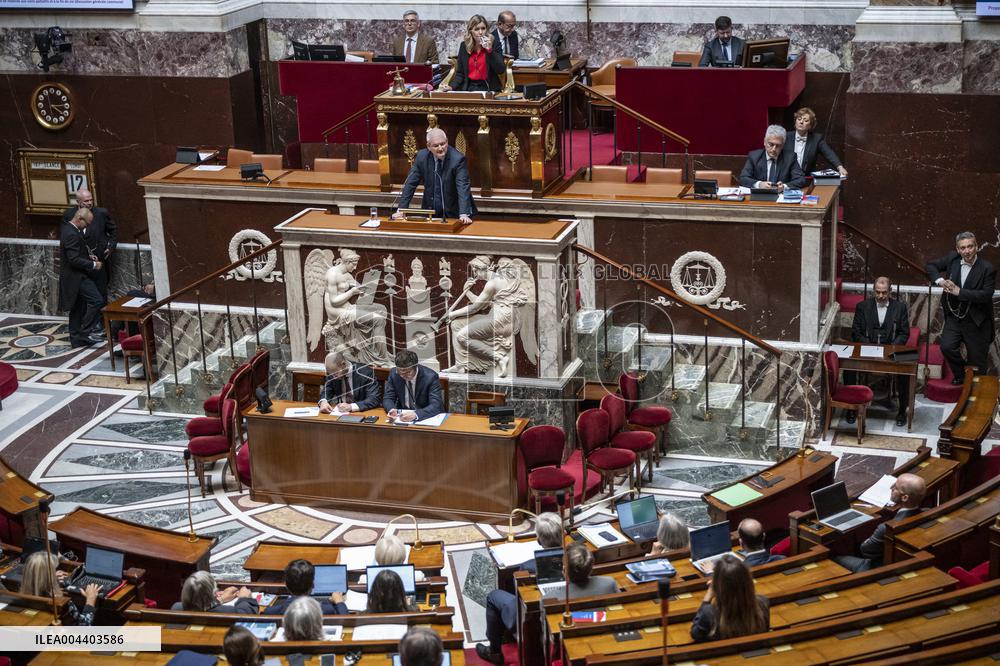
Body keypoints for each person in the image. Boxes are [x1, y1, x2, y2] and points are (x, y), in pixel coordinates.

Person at [476, 513, 564, 664]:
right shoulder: (575, 556)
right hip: (565, 609)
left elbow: (519, 594)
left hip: (533, 615)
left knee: (493, 596)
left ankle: (494, 652)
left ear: (538, 540)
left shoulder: (528, 567)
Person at [925, 232, 996, 383]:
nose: (967, 251)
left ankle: (976, 395)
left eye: (970, 246)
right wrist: (940, 281)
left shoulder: (987, 268)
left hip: (977, 321)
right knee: (947, 347)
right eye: (963, 248)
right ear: (958, 249)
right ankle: (962, 374)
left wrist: (959, 291)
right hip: (954, 317)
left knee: (978, 363)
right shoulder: (953, 259)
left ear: (976, 247)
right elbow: (930, 265)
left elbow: (985, 295)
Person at [848, 276, 911, 427]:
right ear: (873, 291)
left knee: (906, 369)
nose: (881, 296)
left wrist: (893, 348)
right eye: (878, 292)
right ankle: (850, 409)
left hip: (891, 348)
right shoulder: (862, 306)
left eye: (884, 292)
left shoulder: (900, 307)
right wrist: (867, 345)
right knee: (849, 367)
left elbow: (904, 333)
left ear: (890, 291)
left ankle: (902, 410)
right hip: (868, 347)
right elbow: (856, 331)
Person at [834, 474, 926, 573]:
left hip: (878, 568)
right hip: (906, 562)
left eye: (895, 487)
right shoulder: (927, 513)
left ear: (904, 498)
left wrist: (867, 540)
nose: (891, 488)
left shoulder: (887, 528)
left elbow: (865, 550)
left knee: (834, 557)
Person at [394, 128, 476, 225]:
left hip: (454, 213)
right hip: (430, 212)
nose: (440, 148)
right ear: (428, 146)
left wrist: (463, 213)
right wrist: (401, 209)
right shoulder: (421, 157)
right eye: (436, 146)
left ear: (447, 141)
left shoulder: (458, 159)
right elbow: (410, 184)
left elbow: (462, 186)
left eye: (443, 144)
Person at [690, 554, 770, 642]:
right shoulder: (763, 602)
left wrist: (706, 600)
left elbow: (695, 634)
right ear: (747, 580)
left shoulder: (709, 613)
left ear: (718, 586)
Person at [59, 207, 106, 348]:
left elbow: (75, 252)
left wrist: (87, 256)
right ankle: (84, 333)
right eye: (87, 223)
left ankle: (76, 338)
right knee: (97, 300)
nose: (88, 226)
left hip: (75, 276)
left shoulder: (71, 230)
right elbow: (73, 259)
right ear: (79, 219)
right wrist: (93, 264)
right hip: (76, 277)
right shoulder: (71, 233)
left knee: (77, 307)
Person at [62, 188, 117, 303]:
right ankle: (86, 320)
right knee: (83, 297)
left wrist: (110, 246)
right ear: (78, 202)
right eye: (86, 201)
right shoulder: (69, 215)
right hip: (80, 263)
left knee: (100, 295)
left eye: (91, 200)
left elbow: (113, 230)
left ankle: (101, 321)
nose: (90, 203)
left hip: (98, 259)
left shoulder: (101, 213)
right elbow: (66, 236)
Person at [21, 552, 99, 626]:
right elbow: (84, 625)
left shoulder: (21, 596)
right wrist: (90, 601)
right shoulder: (60, 604)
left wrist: (51, 579)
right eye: (52, 570)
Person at [441, 14, 505, 92]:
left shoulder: (494, 44)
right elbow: (460, 74)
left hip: (489, 88)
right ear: (471, 31)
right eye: (477, 29)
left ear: (487, 30)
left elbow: (501, 70)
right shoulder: (464, 46)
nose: (481, 32)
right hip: (469, 88)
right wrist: (451, 87)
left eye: (483, 28)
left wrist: (489, 50)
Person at [263, 559, 348, 615]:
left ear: (286, 585)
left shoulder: (271, 611)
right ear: (313, 585)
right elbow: (346, 618)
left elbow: (266, 611)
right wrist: (339, 601)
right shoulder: (326, 609)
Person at [738, 125, 807, 191]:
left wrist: (784, 186)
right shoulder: (754, 156)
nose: (774, 149)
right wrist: (759, 184)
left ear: (783, 145)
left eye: (778, 146)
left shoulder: (790, 158)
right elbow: (743, 178)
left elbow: (801, 179)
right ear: (764, 142)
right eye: (771, 144)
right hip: (759, 198)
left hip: (781, 198)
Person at [382, 349, 444, 422]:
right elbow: (388, 398)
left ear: (416, 367)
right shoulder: (394, 374)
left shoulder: (430, 377)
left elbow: (436, 405)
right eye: (400, 372)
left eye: (407, 372)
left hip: (425, 417)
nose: (402, 376)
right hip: (402, 417)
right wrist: (391, 409)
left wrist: (416, 414)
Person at [785, 107, 848, 176]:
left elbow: (829, 153)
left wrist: (840, 167)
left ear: (810, 126)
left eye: (805, 120)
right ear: (795, 122)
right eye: (799, 119)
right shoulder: (786, 136)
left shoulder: (816, 139)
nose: (801, 122)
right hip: (786, 178)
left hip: (806, 179)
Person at [172, 570, 259, 613]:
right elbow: (246, 614)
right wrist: (244, 598)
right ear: (213, 593)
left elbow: (157, 645)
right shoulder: (227, 612)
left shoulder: (176, 608)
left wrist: (220, 600)